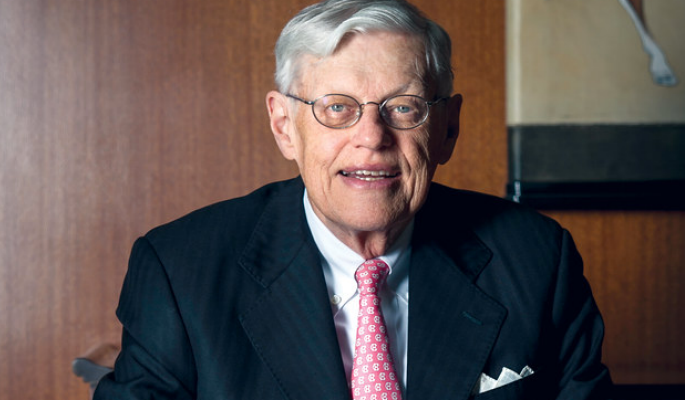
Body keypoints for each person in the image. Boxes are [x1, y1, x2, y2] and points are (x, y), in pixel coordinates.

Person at [94, 0, 612, 399]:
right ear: (284, 126)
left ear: (448, 128)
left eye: (404, 107)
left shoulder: (537, 260)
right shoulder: (180, 273)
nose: (371, 137)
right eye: (337, 108)